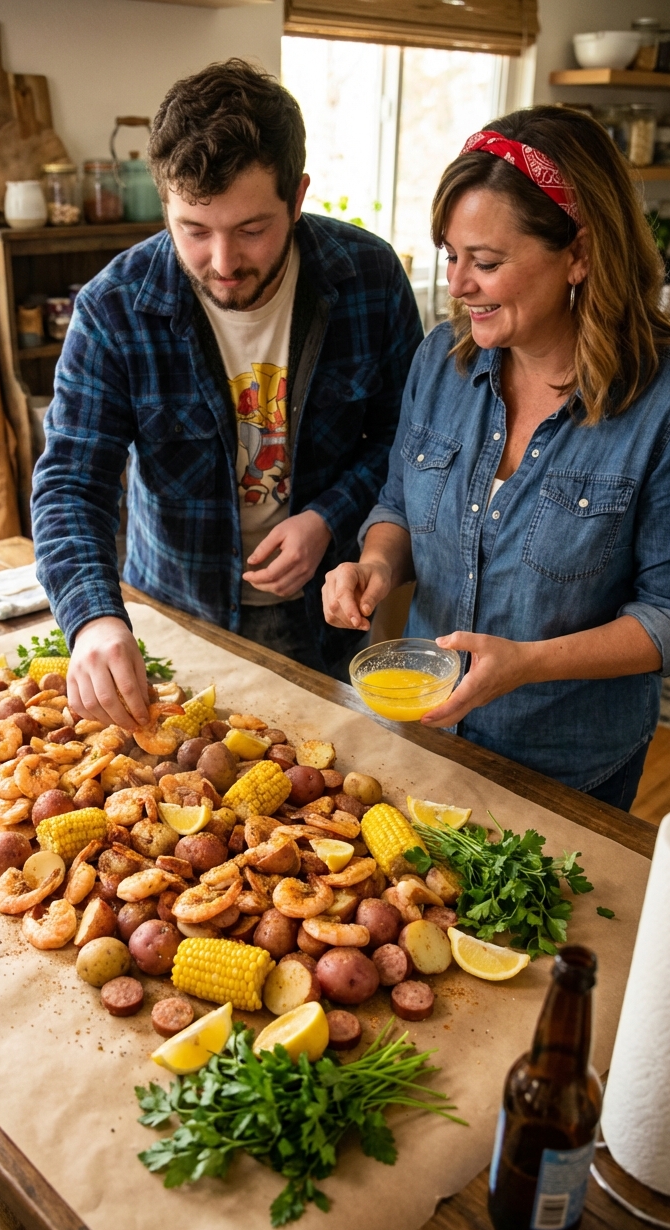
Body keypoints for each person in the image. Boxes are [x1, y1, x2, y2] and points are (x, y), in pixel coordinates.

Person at [32, 59, 423, 730]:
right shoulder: (113, 309)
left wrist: (328, 515)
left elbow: (408, 442)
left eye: (251, 230)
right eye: (193, 229)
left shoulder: (370, 278)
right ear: (166, 202)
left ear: (297, 198)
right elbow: (70, 483)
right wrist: (94, 618)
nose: (221, 263)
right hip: (176, 620)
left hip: (322, 626)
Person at [323, 106, 670, 809]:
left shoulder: (666, 405)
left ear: (578, 253)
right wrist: (376, 564)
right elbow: (398, 503)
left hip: (567, 769)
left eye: (485, 263)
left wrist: (528, 665)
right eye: (450, 256)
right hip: (423, 742)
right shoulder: (441, 362)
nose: (457, 285)